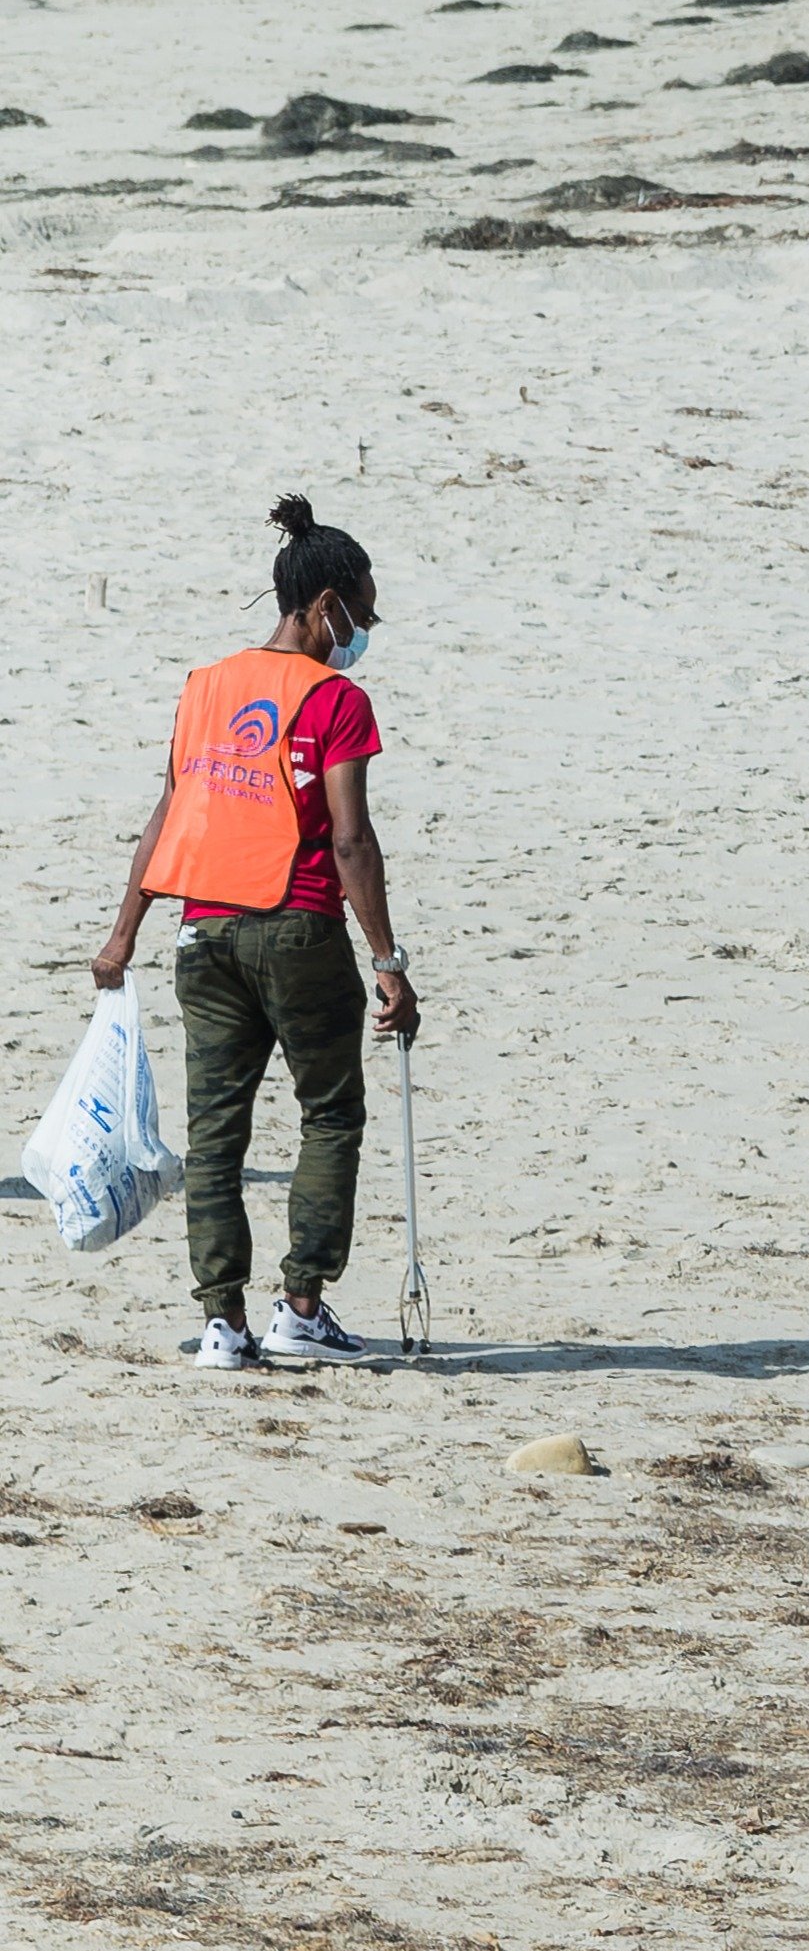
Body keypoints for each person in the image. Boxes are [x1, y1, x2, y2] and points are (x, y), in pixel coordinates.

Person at [88, 496, 418, 1371]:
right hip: (298, 925)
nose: (365, 629)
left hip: (203, 934)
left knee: (217, 1135)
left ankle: (222, 1326)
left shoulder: (205, 687)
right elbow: (351, 841)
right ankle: (301, 1308)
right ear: (323, 608)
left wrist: (123, 935)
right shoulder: (336, 698)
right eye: (364, 611)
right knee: (331, 1114)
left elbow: (167, 814)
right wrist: (388, 962)